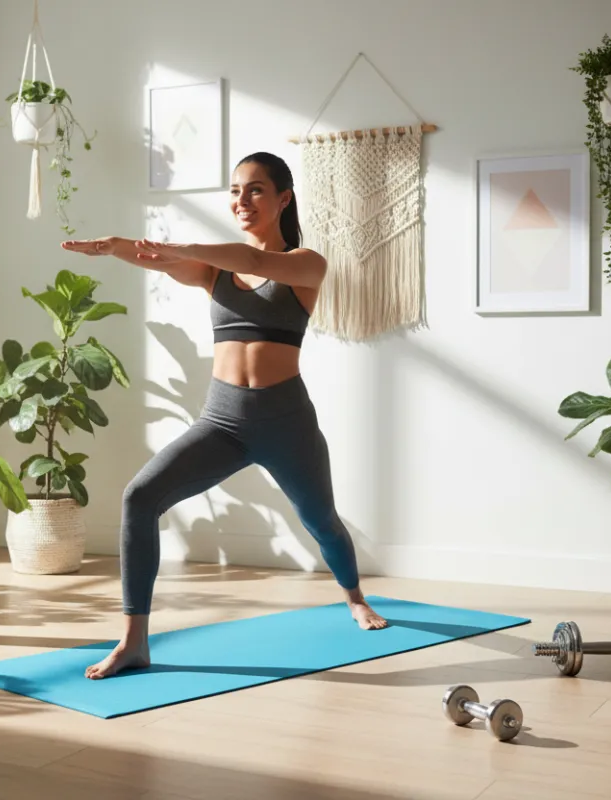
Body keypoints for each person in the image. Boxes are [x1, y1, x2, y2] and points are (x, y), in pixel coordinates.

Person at [61, 151, 388, 680]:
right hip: (222, 423)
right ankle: (134, 641)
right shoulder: (214, 271)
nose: (242, 200)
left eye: (255, 189)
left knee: (321, 521)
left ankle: (354, 598)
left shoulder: (306, 264)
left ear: (283, 198)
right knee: (140, 497)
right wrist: (117, 247)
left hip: (286, 423)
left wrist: (177, 248)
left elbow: (251, 261)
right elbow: (158, 261)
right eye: (236, 191)